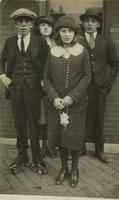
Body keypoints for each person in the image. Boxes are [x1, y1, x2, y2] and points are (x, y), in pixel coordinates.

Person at [43, 15, 91, 187]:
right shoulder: (52, 52)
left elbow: (87, 77)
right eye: (63, 31)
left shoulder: (82, 51)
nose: (67, 34)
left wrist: (72, 96)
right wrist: (54, 97)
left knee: (74, 139)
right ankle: (63, 168)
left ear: (75, 33)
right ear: (59, 34)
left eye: (70, 31)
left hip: (76, 104)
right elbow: (46, 78)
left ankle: (75, 169)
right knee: (61, 139)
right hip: (56, 104)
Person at [0, 8, 48, 174]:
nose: (23, 25)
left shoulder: (40, 41)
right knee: (19, 123)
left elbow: (48, 63)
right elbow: (1, 60)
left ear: (32, 24)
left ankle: (37, 158)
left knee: (33, 124)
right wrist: (2, 76)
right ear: (15, 24)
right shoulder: (10, 42)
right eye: (20, 21)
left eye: (27, 21)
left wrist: (43, 80)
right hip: (15, 89)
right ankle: (22, 156)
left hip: (33, 89)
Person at [79, 8, 119, 163]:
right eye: (87, 21)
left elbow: (115, 64)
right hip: (82, 88)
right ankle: (80, 149)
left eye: (93, 21)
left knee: (99, 119)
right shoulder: (77, 40)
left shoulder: (106, 42)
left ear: (98, 24)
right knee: (80, 117)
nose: (90, 24)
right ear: (82, 23)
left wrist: (107, 83)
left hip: (100, 88)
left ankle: (99, 151)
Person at [35, 15, 57, 158]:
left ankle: (51, 146)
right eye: (42, 25)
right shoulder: (34, 42)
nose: (45, 28)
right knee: (41, 116)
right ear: (38, 27)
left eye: (48, 25)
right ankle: (42, 147)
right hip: (38, 85)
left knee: (53, 115)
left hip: (54, 85)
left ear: (52, 28)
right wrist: (40, 80)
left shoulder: (57, 43)